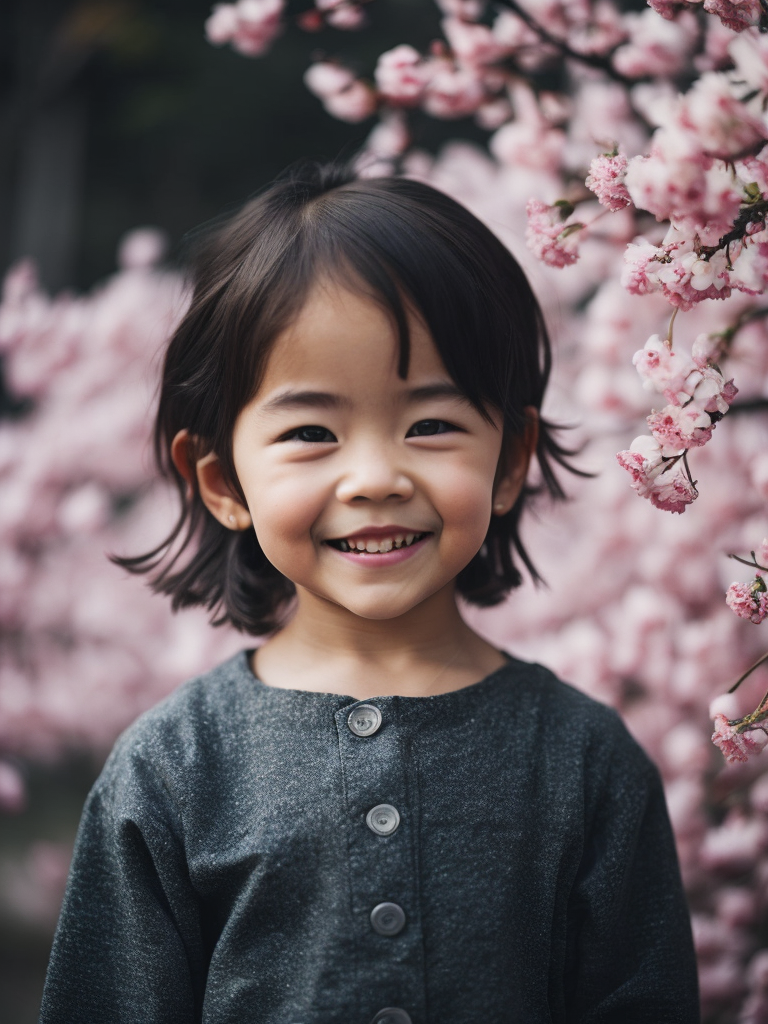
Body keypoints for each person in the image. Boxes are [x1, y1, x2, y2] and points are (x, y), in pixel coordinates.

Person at [39, 162, 699, 1024]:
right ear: (220, 480)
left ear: (509, 461)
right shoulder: (173, 769)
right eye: (311, 432)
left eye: (430, 424)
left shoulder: (584, 761)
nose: (376, 478)